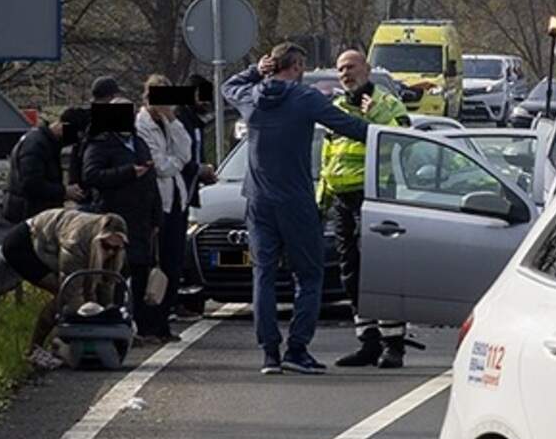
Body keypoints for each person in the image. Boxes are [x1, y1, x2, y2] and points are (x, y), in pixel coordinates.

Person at [221, 43, 368, 373]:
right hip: (296, 200)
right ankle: (297, 349)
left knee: (264, 275)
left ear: (272, 65)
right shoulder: (306, 98)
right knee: (309, 276)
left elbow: (227, 86)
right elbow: (350, 127)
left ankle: (270, 354)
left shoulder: (251, 96)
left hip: (259, 201)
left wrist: (255, 71)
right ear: (298, 65)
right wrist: (388, 133)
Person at [322, 47, 415, 367]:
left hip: (376, 197)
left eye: (351, 67)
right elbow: (328, 157)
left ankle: (393, 345)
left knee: (382, 273)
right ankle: (368, 341)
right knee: (351, 273)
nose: (345, 73)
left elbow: (404, 140)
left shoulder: (387, 103)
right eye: (340, 69)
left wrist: (376, 114)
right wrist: (323, 199)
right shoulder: (335, 108)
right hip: (343, 200)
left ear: (367, 69)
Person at [73, 82, 172, 341]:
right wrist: (127, 172)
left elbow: (151, 179)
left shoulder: (138, 142)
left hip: (141, 219)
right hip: (115, 218)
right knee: (114, 275)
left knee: (140, 273)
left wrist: (156, 216)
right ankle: (115, 323)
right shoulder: (100, 144)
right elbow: (91, 175)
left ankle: (141, 326)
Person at [0, 204, 131, 370]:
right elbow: (71, 291)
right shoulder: (76, 241)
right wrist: (90, 319)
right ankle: (34, 349)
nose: (111, 252)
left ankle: (62, 342)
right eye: (106, 246)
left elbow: (105, 285)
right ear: (99, 238)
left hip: (57, 244)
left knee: (87, 301)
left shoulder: (113, 251)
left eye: (116, 248)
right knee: (64, 296)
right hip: (24, 245)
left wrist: (108, 317)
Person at [143, 75, 203, 316]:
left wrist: (172, 120)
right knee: (157, 260)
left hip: (177, 198)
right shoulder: (142, 125)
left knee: (173, 261)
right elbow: (160, 166)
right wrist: (177, 162)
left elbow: (186, 151)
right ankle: (154, 316)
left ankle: (166, 314)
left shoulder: (170, 122)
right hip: (157, 200)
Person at [2, 105, 75, 222]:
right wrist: (63, 191)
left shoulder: (46, 142)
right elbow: (31, 183)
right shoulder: (36, 145)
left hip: (34, 211)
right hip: (28, 212)